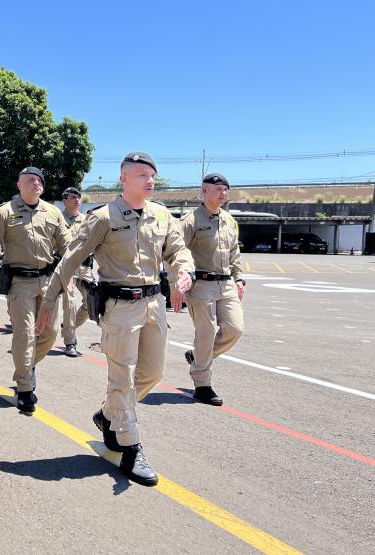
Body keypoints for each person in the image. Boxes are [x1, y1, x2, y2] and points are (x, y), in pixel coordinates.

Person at [36, 152, 194, 487]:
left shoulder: (162, 215)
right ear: (123, 179)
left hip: (153, 303)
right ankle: (130, 446)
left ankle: (108, 415)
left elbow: (177, 251)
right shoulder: (103, 217)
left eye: (152, 175)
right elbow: (71, 259)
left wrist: (184, 273)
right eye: (141, 174)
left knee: (153, 374)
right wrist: (49, 301)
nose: (149, 180)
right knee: (121, 379)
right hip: (119, 307)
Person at [0, 167, 70, 413]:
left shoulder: (53, 212)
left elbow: (68, 245)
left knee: (49, 334)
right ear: (19, 185)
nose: (35, 183)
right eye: (29, 180)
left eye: (38, 181)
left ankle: (27, 366)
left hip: (48, 282)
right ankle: (25, 388)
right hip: (19, 284)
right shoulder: (5, 213)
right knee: (24, 334)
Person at [171, 173, 245, 406]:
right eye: (217, 190)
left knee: (235, 329)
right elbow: (174, 252)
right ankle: (202, 385)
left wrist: (239, 279)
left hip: (226, 283)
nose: (222, 194)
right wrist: (176, 285)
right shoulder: (190, 220)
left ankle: (198, 357)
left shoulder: (229, 221)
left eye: (225, 190)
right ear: (204, 190)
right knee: (206, 332)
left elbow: (234, 253)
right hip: (200, 284)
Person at [58, 187, 93, 357]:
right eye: (73, 197)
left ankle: (67, 328)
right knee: (69, 304)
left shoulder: (87, 221)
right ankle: (70, 341)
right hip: (66, 268)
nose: (77, 200)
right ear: (64, 201)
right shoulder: (57, 219)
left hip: (84, 268)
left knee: (90, 304)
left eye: (79, 197)